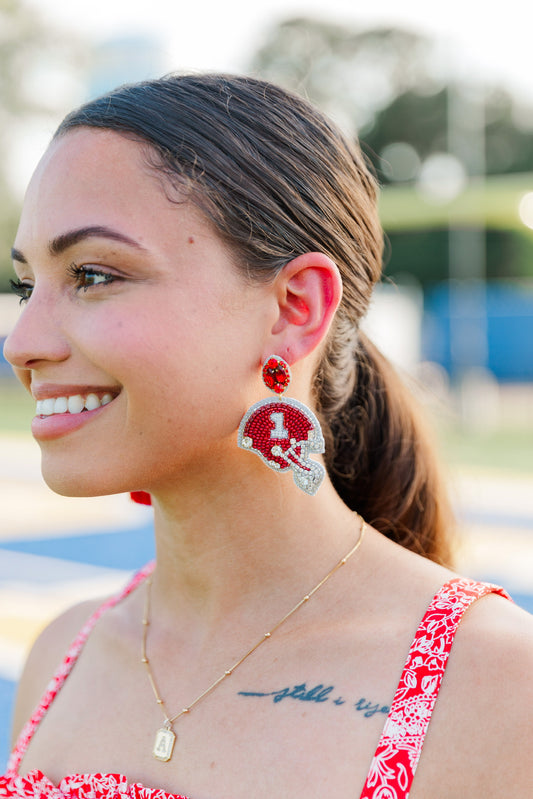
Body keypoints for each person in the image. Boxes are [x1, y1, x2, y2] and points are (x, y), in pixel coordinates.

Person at [1, 73, 532, 799]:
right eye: (28, 284)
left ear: (292, 308)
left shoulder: (497, 689)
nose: (22, 341)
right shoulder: (64, 651)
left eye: (92, 274)